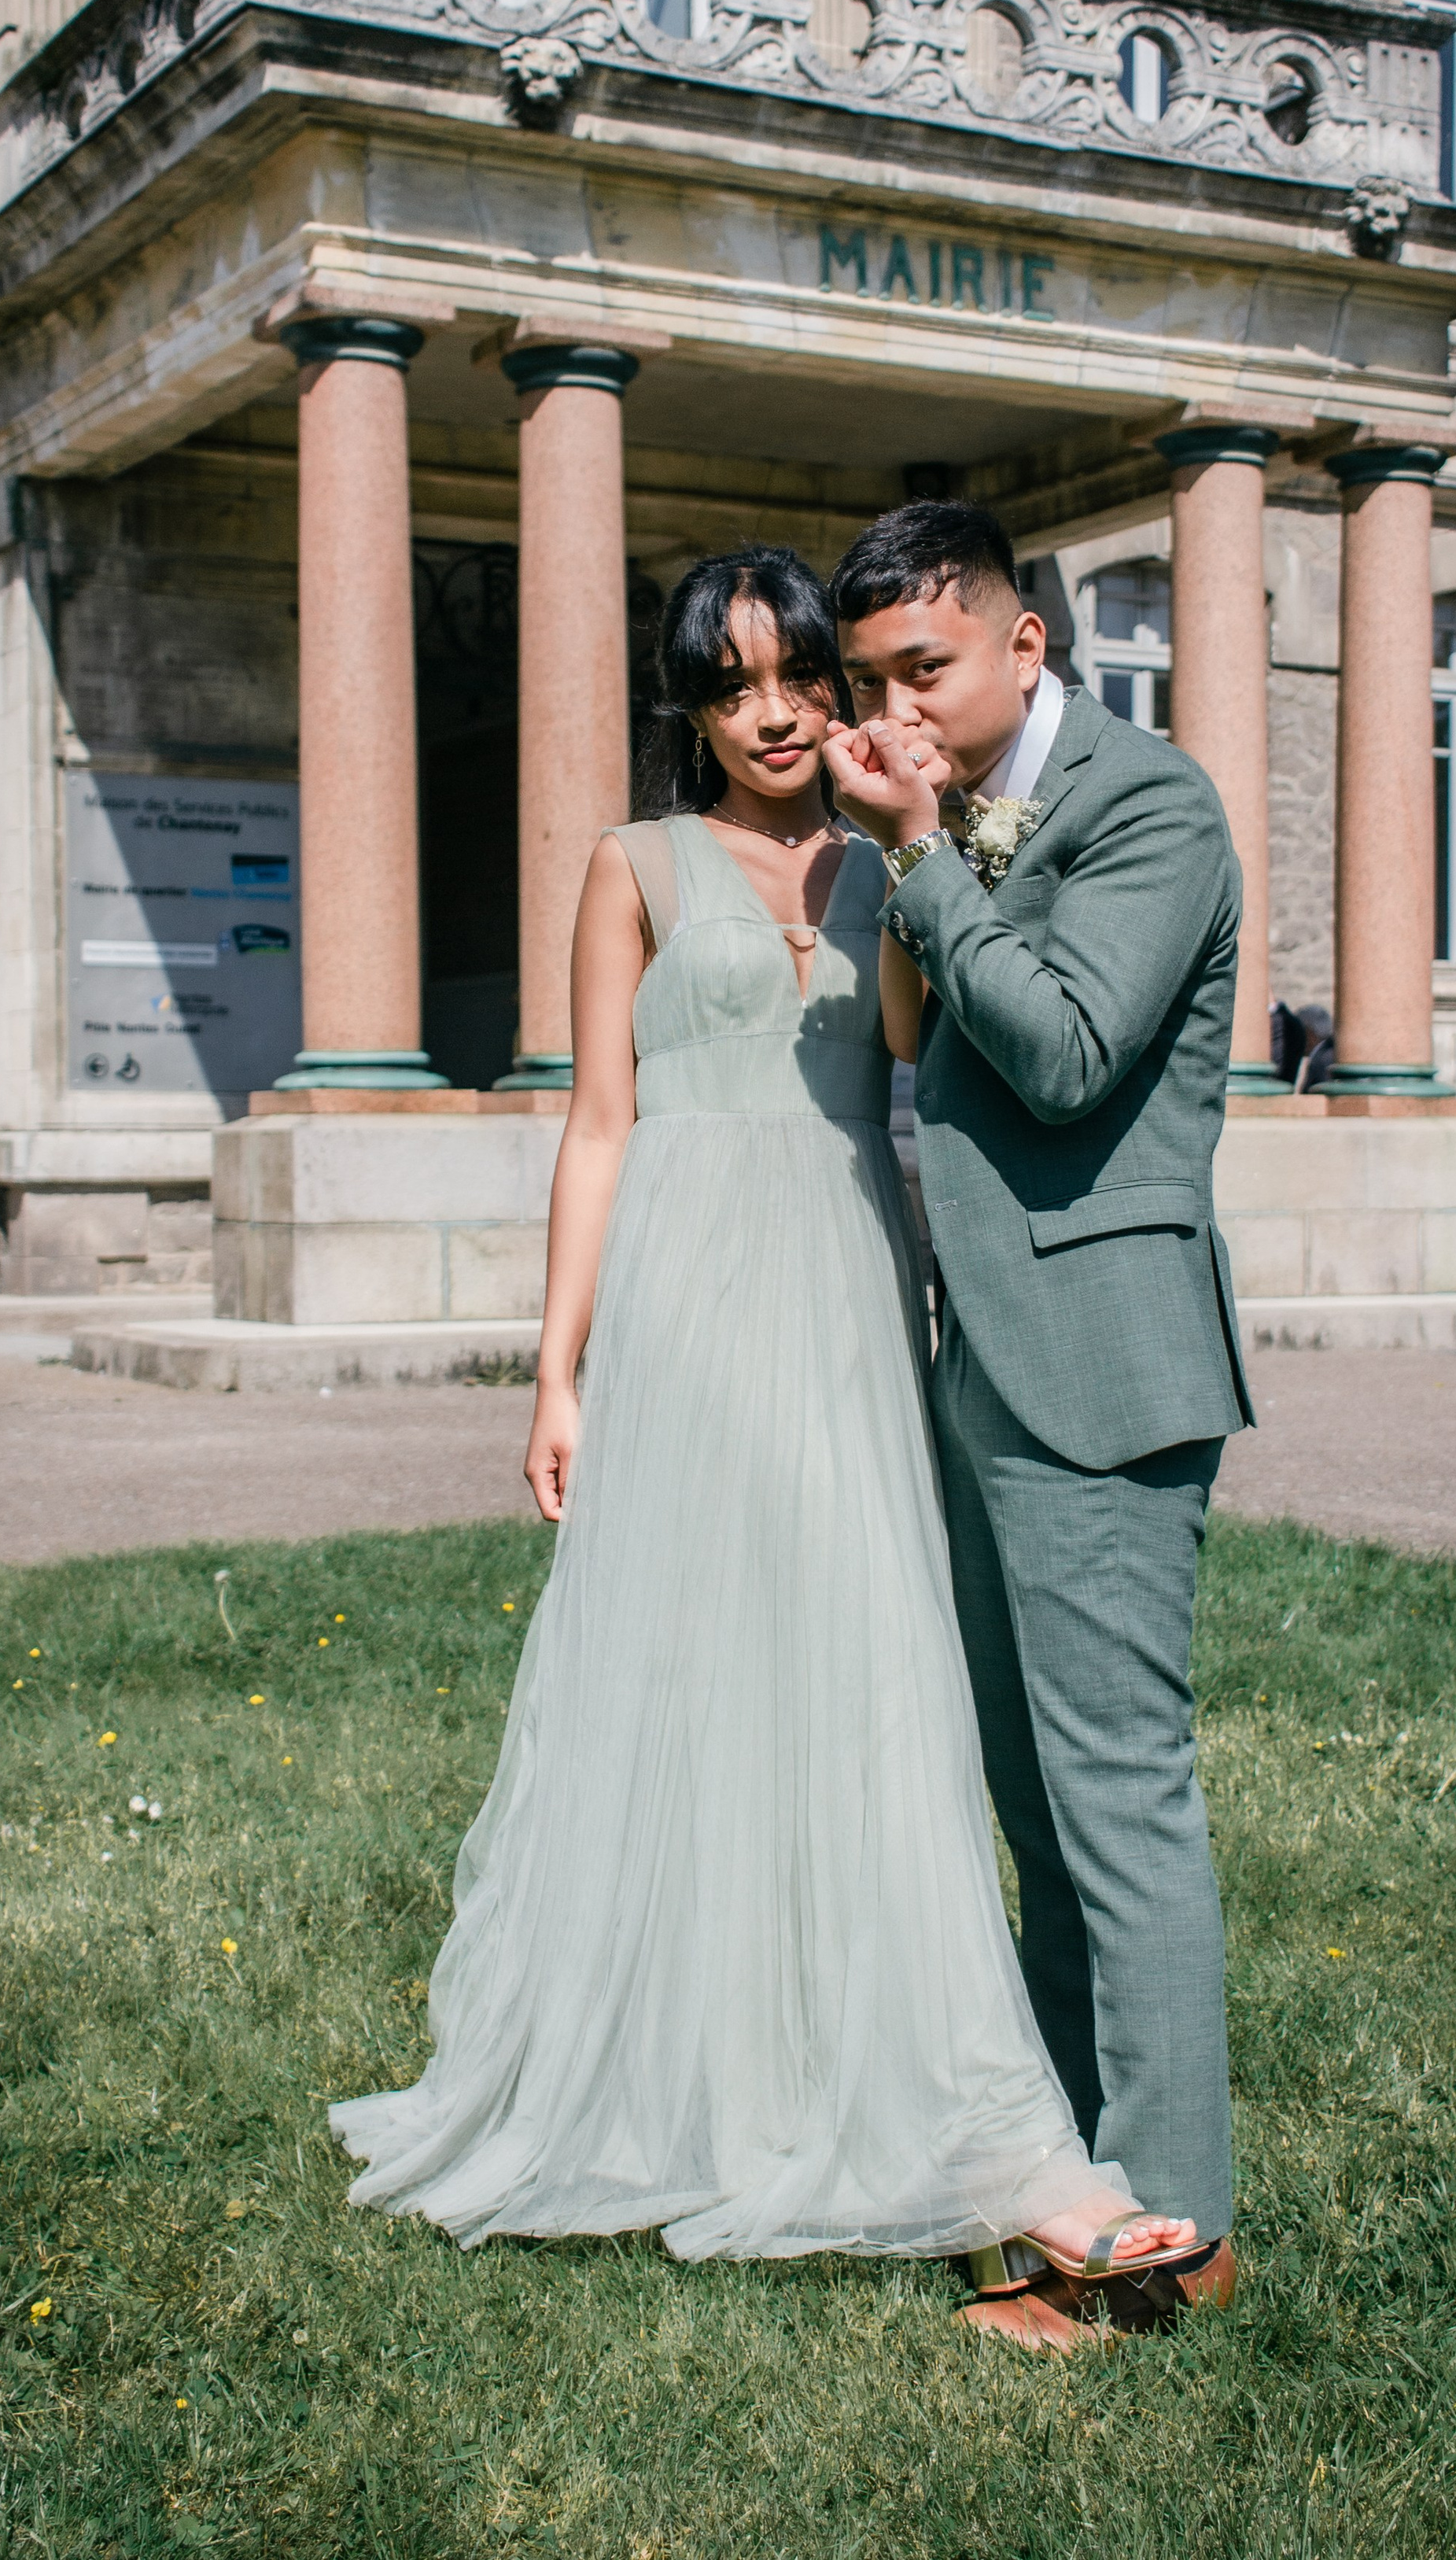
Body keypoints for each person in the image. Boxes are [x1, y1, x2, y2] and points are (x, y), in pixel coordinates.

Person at [331, 546, 1201, 2355]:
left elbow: (949, 1068)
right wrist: (554, 1367)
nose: (774, 711)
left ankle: (904, 2075)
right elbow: (596, 1124)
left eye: (799, 672)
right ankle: (698, 2066)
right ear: (693, 708)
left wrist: (927, 840)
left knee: (871, 1676)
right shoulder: (632, 865)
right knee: (692, 1667)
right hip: (687, 1297)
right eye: (731, 685)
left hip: (851, 1287)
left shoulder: (893, 863)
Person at [821, 500, 1251, 2331]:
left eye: (922, 668)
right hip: (980, 1352)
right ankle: (1082, 2196)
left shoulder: (1149, 805)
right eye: (868, 682)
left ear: (1021, 642)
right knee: (1034, 1801)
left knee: (1115, 1800)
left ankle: (1173, 2244)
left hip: (1100, 1359)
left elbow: (1067, 1050)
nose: (893, 710)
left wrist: (920, 851)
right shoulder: (948, 815)